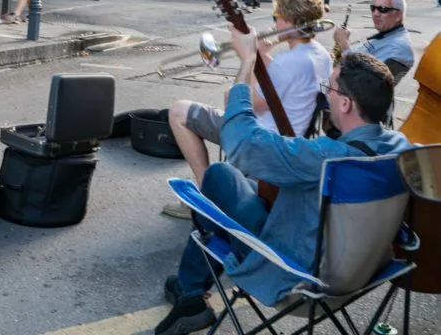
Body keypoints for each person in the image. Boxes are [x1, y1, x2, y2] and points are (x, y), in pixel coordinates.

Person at [154, 48, 410, 335]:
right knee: (246, 187)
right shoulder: (401, 149)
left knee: (219, 176)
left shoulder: (329, 157)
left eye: (331, 90)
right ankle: (190, 290)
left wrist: (248, 62)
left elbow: (242, 144)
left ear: (347, 104)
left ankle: (191, 292)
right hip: (364, 270)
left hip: (298, 276)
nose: (327, 97)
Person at [168, 0, 331, 191]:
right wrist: (265, 55)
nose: (274, 22)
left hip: (261, 141)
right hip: (288, 138)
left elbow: (251, 105)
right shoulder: (320, 54)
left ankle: (205, 189)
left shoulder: (290, 62)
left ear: (289, 21)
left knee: (178, 111)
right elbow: (288, 88)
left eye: (276, 17)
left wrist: (252, 59)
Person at [333, 0, 414, 85]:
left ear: (398, 15)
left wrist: (343, 46)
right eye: (373, 8)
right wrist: (339, 49)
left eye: (383, 9)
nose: (375, 14)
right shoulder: (385, 35)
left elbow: (367, 86)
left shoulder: (399, 49)